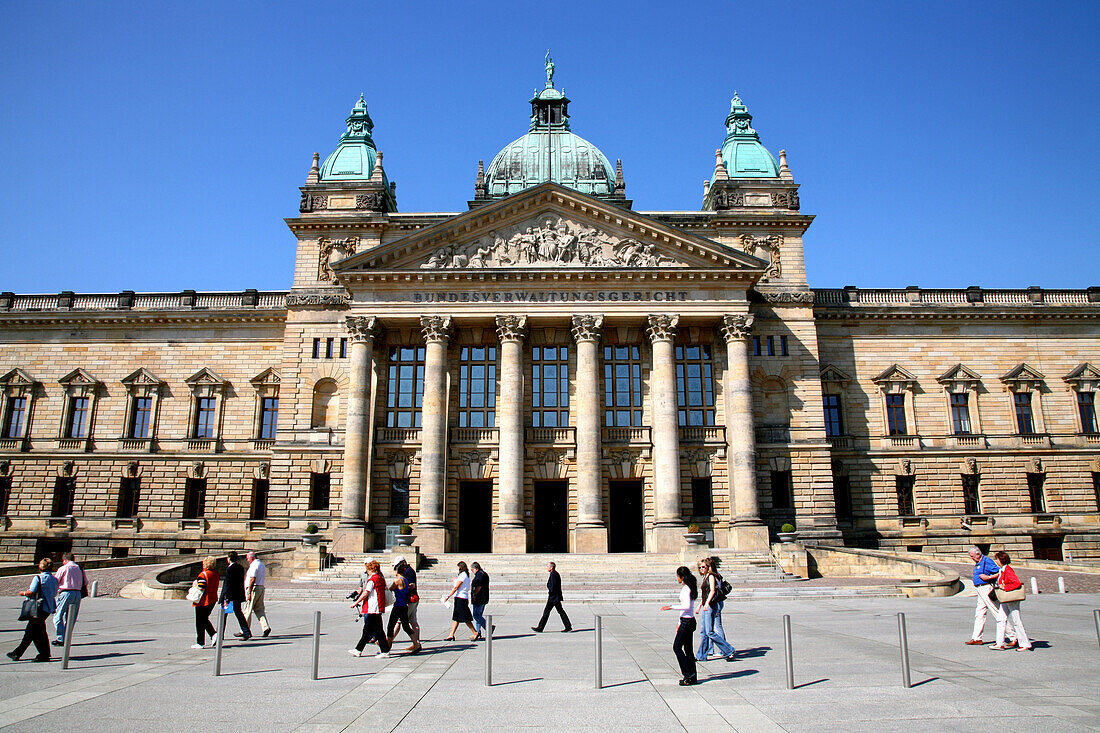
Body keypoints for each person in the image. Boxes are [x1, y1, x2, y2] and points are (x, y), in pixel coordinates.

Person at [7, 558, 59, 662]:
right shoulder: (54, 579)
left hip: (37, 608)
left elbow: (31, 592)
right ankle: (43, 654)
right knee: (38, 632)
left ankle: (19, 653)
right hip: (48, 608)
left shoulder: (38, 578)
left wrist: (23, 593)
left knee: (30, 632)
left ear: (40, 567)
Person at [965, 546, 1015, 647]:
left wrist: (988, 577)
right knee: (979, 613)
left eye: (972, 556)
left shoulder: (986, 561)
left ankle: (1013, 636)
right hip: (980, 589)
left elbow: (999, 572)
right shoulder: (979, 562)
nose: (971, 558)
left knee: (996, 612)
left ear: (978, 554)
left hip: (986, 588)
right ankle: (976, 638)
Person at [661, 565, 699, 686]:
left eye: (677, 576)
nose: (677, 578)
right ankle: (693, 676)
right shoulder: (689, 587)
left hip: (687, 622)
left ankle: (687, 674)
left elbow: (686, 606)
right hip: (687, 620)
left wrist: (670, 607)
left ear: (682, 577)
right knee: (688, 650)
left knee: (677, 647)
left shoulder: (686, 588)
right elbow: (687, 609)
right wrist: (679, 622)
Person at [695, 556, 736, 662]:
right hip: (706, 606)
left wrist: (707, 603)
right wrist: (700, 605)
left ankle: (728, 649)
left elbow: (712, 591)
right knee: (703, 632)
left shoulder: (711, 576)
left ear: (708, 567)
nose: (701, 569)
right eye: (700, 567)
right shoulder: (705, 577)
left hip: (711, 606)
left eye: (703, 567)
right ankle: (701, 655)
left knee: (710, 632)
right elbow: (705, 594)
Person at [991, 551, 1032, 652]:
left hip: (1011, 598)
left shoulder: (1008, 570)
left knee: (1016, 620)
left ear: (1001, 560)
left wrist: (1005, 587)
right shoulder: (1003, 570)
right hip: (1005, 599)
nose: (996, 561)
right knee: (1000, 619)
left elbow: (1017, 583)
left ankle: (1025, 643)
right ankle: (1000, 643)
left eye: (997, 559)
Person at [349, 560, 390, 657]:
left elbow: (366, 592)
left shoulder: (372, 579)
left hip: (372, 607)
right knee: (370, 630)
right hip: (378, 606)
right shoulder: (380, 578)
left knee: (374, 630)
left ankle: (384, 651)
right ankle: (359, 649)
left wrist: (356, 602)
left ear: (370, 569)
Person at [52, 552, 85, 646]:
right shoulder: (79, 568)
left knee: (58, 616)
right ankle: (67, 637)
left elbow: (56, 581)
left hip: (66, 592)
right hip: (77, 593)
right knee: (71, 618)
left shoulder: (64, 568)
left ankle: (60, 638)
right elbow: (85, 582)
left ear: (65, 560)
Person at [219, 551, 251, 641]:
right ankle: (246, 632)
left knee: (224, 615)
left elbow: (228, 584)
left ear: (229, 559)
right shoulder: (240, 567)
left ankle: (220, 633)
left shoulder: (229, 569)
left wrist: (224, 596)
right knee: (238, 613)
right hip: (237, 594)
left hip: (229, 596)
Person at [532, 561, 571, 633]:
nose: (547, 567)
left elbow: (552, 586)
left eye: (548, 566)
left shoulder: (553, 574)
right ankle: (568, 626)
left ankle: (540, 627)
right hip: (555, 597)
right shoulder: (555, 574)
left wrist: (551, 593)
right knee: (560, 611)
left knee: (547, 612)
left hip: (553, 597)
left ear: (551, 567)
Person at [442, 561, 477, 641]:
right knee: (457, 617)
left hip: (460, 598)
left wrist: (448, 596)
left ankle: (475, 632)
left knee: (465, 617)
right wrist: (456, 580)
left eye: (459, 568)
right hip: (461, 598)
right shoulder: (466, 576)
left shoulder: (463, 575)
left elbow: (456, 587)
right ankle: (451, 635)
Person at [392, 556, 421, 653]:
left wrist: (402, 587)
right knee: (413, 622)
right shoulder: (407, 570)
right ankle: (416, 643)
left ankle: (389, 640)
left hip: (410, 599)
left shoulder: (409, 571)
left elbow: (412, 585)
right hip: (412, 599)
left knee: (399, 621)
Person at [192, 556, 220, 649]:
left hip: (203, 600)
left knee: (200, 621)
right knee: (204, 619)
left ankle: (201, 641)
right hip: (213, 599)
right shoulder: (216, 573)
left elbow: (201, 586)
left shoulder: (203, 574)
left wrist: (195, 584)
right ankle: (212, 635)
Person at [244, 550, 271, 638]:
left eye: (248, 558)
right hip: (260, 587)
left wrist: (249, 592)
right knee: (259, 609)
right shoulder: (261, 564)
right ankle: (265, 627)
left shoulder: (254, 565)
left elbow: (252, 578)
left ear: (252, 558)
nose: (247, 560)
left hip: (254, 588)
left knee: (248, 609)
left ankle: (245, 630)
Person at [385, 572, 415, 648]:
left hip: (397, 606)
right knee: (406, 626)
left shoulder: (397, 581)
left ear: (397, 571)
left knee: (390, 626)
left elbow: (391, 589)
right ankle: (416, 643)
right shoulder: (406, 580)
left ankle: (387, 645)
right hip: (404, 605)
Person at [470, 561, 490, 640]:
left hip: (479, 598)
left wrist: (474, 595)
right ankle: (477, 632)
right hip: (484, 597)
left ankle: (488, 627)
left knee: (476, 615)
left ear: (475, 568)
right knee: (478, 615)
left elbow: (478, 586)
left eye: (472, 569)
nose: (471, 571)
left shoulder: (479, 575)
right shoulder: (484, 574)